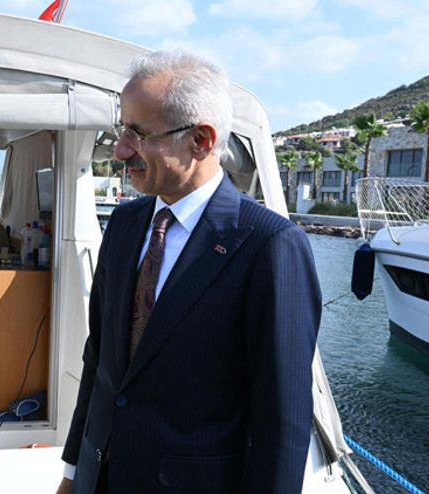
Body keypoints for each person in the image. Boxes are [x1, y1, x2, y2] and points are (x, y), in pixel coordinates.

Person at [57, 49, 320, 493]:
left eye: (138, 134)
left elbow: (283, 424)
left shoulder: (269, 246)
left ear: (201, 140)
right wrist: (71, 473)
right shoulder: (123, 225)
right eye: (123, 130)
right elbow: (100, 360)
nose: (121, 150)